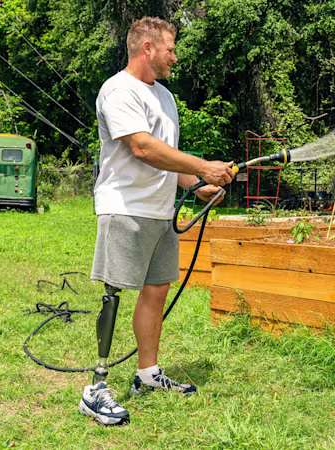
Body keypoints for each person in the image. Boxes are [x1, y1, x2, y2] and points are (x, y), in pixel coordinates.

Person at [77, 16, 235, 426]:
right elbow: (142, 148)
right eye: (170, 48)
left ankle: (147, 374)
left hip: (161, 211)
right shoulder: (117, 90)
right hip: (125, 208)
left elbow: (166, 157)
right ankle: (96, 388)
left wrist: (196, 182)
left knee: (156, 291)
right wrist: (205, 166)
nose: (174, 56)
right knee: (114, 294)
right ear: (147, 47)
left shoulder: (165, 97)